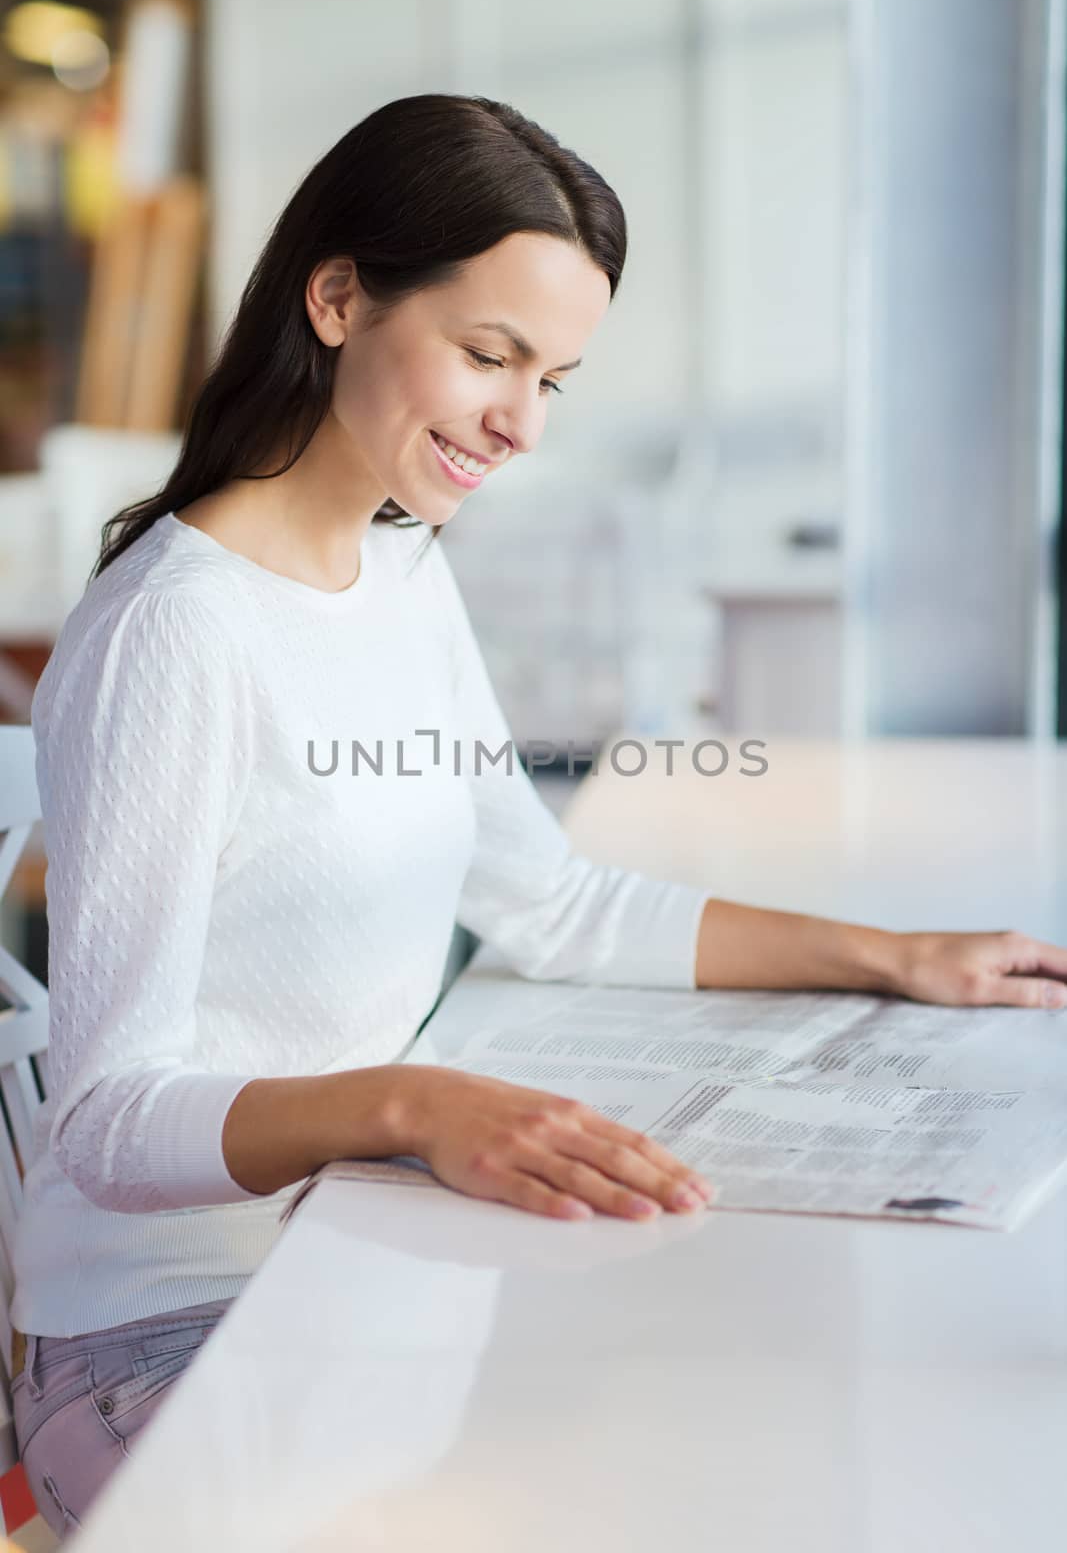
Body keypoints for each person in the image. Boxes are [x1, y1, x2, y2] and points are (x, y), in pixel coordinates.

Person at [10, 92, 1067, 1538]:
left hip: (365, 1257)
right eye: (486, 354)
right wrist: (411, 1106)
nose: (518, 423)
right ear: (336, 299)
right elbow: (109, 1126)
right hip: (173, 1337)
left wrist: (890, 958)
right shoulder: (178, 634)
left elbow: (553, 902)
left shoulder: (399, 568)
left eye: (552, 378)